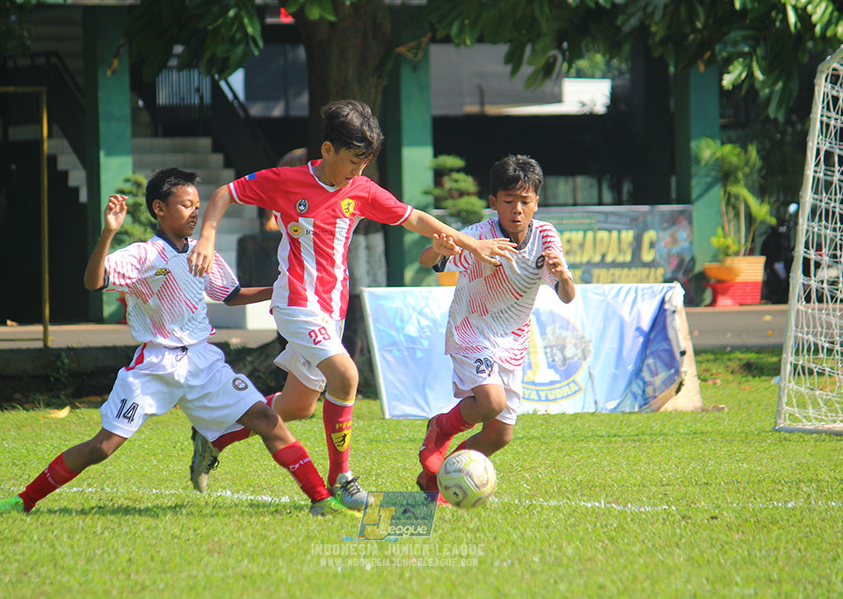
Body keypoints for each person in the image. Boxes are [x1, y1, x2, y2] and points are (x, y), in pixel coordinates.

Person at [185, 99, 517, 510]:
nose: (358, 172)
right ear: (327, 151)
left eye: (365, 164)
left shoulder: (360, 190)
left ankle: (213, 435)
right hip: (295, 305)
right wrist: (206, 237)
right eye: (353, 162)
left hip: (331, 312)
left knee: (296, 407)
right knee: (346, 376)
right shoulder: (287, 181)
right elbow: (223, 194)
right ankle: (341, 478)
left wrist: (471, 243)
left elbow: (416, 219)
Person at [0, 168, 353, 518]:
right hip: (155, 365)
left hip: (203, 361)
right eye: (186, 205)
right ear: (159, 208)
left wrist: (281, 291)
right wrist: (107, 234)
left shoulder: (201, 252)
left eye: (197, 206)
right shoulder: (143, 254)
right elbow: (94, 281)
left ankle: (321, 499)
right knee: (101, 447)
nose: (194, 213)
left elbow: (232, 294)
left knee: (268, 420)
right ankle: (20, 502)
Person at [416, 154, 576, 503]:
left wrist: (563, 276)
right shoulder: (479, 236)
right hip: (471, 330)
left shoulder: (546, 237)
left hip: (512, 341)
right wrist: (438, 249)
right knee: (490, 401)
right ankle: (440, 428)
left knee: (500, 435)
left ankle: (439, 480)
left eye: (525, 201)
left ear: (537, 202)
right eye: (508, 201)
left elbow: (566, 295)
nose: (517, 209)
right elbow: (429, 261)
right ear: (493, 203)